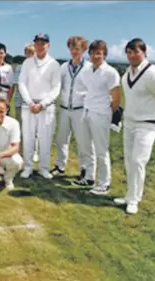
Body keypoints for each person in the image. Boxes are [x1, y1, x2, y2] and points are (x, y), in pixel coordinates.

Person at [113, 38, 155, 214]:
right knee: (129, 160)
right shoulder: (126, 74)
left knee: (138, 161)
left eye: (136, 52)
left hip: (148, 124)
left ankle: (134, 200)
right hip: (130, 122)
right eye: (129, 52)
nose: (132, 56)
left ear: (145, 53)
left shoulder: (153, 73)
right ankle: (129, 195)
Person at [77, 40, 121, 195]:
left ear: (105, 55)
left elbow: (116, 99)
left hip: (101, 114)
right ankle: (89, 177)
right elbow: (84, 88)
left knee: (102, 150)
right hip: (87, 111)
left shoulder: (111, 72)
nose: (96, 56)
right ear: (89, 54)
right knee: (86, 147)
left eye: (99, 53)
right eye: (93, 53)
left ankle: (104, 183)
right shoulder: (86, 70)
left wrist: (106, 111)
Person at [18, 33, 61, 179]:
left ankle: (44, 168)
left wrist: (42, 104)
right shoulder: (27, 63)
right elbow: (22, 83)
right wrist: (30, 102)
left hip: (46, 107)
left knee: (45, 139)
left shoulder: (54, 64)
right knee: (28, 138)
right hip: (28, 105)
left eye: (43, 43)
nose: (40, 45)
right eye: (37, 43)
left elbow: (56, 88)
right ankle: (28, 167)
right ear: (34, 44)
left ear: (48, 45)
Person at [51, 36, 94, 181]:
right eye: (71, 48)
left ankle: (86, 170)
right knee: (61, 139)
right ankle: (60, 166)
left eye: (77, 48)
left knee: (84, 142)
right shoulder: (63, 67)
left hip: (80, 109)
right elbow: (57, 86)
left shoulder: (89, 68)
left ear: (83, 49)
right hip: (64, 108)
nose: (74, 51)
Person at [13, 44, 35, 157]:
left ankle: (33, 151)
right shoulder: (19, 68)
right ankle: (20, 151)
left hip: (34, 104)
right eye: (28, 52)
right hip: (20, 103)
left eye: (32, 52)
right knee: (21, 129)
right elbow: (17, 85)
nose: (30, 55)